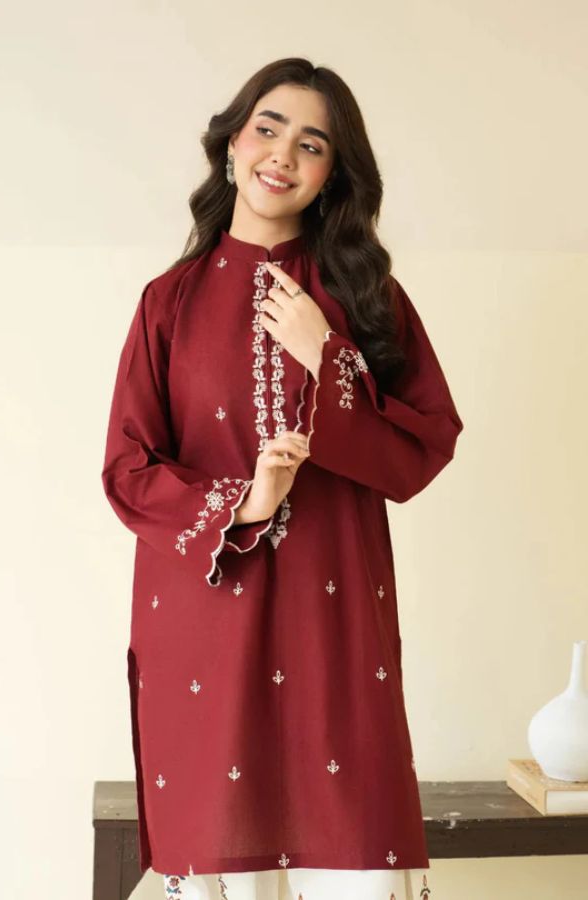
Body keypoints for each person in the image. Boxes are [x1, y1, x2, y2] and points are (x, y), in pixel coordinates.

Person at [101, 56, 463, 900]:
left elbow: (424, 445)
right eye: (267, 128)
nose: (282, 154)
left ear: (332, 177)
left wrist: (329, 357)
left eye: (313, 145)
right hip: (207, 640)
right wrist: (242, 502)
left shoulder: (362, 295)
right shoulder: (170, 303)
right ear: (232, 144)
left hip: (334, 634)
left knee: (359, 871)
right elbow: (127, 470)